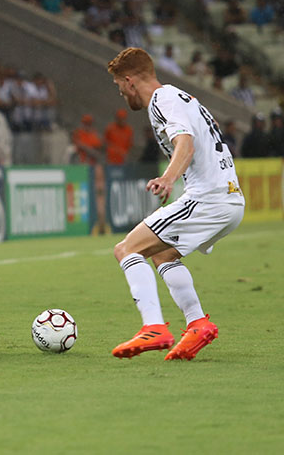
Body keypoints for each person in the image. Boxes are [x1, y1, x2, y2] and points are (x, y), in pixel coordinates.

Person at [106, 47, 245, 361]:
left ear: (129, 81)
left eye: (118, 87)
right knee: (162, 254)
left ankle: (153, 327)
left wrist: (168, 178)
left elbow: (186, 142)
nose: (120, 94)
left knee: (126, 249)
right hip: (230, 200)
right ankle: (197, 324)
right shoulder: (181, 98)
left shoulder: (161, 100)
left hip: (208, 198)